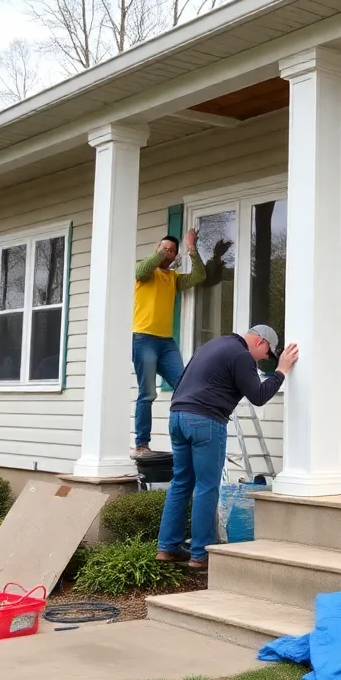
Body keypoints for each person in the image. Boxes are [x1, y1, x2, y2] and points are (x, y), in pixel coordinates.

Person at [155, 325, 298, 570]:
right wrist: (281, 371)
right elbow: (259, 396)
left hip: (177, 416)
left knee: (181, 482)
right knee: (206, 486)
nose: (264, 358)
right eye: (267, 353)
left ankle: (167, 548)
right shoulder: (242, 355)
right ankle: (200, 554)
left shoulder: (212, 345)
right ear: (261, 342)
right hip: (205, 421)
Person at [132, 230, 206, 459]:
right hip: (143, 338)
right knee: (148, 393)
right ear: (157, 249)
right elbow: (142, 269)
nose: (168, 252)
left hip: (166, 343)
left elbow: (199, 276)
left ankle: (187, 438)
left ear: (175, 256)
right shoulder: (145, 272)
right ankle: (141, 444)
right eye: (164, 248)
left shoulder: (173, 278)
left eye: (172, 250)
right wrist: (161, 252)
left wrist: (191, 249)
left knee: (185, 387)